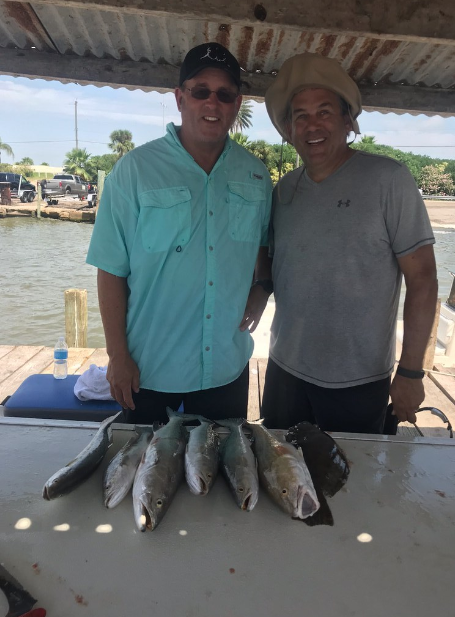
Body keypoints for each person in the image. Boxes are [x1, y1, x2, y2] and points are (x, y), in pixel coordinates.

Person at [86, 42, 272, 424]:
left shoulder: (256, 175)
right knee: (144, 480)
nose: (212, 103)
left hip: (226, 366)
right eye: (200, 91)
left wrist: (263, 285)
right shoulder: (134, 171)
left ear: (237, 105)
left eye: (224, 94)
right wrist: (117, 356)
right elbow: (110, 269)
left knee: (221, 481)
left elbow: (264, 243)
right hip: (148, 369)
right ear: (180, 98)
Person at [261, 53, 438, 433]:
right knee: (281, 480)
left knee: (352, 486)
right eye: (300, 115)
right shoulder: (284, 191)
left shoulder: (389, 179)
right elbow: (272, 262)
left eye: (324, 111)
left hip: (359, 380)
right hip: (283, 371)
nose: (312, 125)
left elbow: (423, 280)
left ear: (348, 120)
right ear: (288, 129)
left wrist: (410, 372)